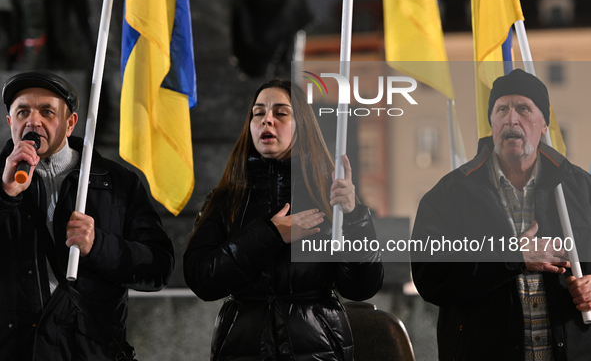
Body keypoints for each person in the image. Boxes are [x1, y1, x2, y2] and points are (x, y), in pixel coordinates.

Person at [183, 78, 383, 361]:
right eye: (258, 113)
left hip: (318, 350)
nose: (267, 120)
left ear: (302, 125)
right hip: (242, 348)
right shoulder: (226, 199)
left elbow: (362, 288)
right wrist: (270, 235)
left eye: (281, 113)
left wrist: (354, 217)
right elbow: (201, 278)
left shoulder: (327, 195)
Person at [411, 69, 591, 361]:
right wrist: (513, 256)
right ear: (491, 122)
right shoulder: (450, 194)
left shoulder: (580, 189)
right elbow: (430, 278)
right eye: (502, 109)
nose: (511, 119)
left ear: (544, 123)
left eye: (523, 108)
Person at [0, 71, 175, 360]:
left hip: (88, 350)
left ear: (70, 123)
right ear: (10, 122)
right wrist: (5, 195)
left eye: (47, 112)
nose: (33, 121)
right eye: (22, 112)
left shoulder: (117, 182)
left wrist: (100, 246)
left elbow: (158, 268)